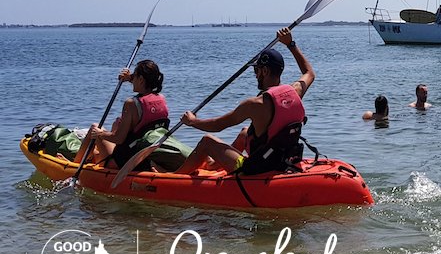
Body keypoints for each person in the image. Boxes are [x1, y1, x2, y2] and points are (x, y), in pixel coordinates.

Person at [174, 27, 314, 174]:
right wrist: (290, 44)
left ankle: (173, 178)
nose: (255, 75)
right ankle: (213, 165)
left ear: (264, 71)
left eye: (256, 71)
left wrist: (192, 122)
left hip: (257, 167)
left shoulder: (254, 104)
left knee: (207, 141)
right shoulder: (295, 91)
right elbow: (309, 72)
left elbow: (218, 125)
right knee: (244, 133)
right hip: (282, 159)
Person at [74, 60, 175, 169]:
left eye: (134, 76)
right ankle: (92, 155)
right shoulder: (161, 99)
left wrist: (99, 134)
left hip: (124, 161)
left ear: (141, 79)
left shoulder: (131, 104)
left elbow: (119, 138)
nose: (132, 78)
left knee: (95, 128)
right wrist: (129, 78)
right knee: (116, 124)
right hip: (144, 156)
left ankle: (74, 166)